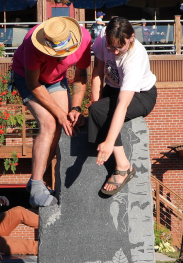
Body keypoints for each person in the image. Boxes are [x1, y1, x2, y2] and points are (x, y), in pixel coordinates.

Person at [11, 16, 91, 207]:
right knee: (49, 123)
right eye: (56, 53)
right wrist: (59, 114)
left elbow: (80, 76)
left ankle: (34, 182)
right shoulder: (33, 42)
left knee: (65, 125)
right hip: (28, 80)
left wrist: (75, 109)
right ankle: (37, 187)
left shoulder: (85, 39)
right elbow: (33, 83)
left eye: (64, 52)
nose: (61, 57)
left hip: (56, 80)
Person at [88, 17, 157, 195]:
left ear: (131, 38)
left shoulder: (135, 57)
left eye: (120, 47)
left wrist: (110, 142)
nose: (115, 52)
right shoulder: (103, 37)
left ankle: (123, 165)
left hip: (142, 95)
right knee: (96, 110)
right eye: (112, 47)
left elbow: (122, 105)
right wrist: (95, 101)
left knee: (99, 112)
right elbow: (97, 71)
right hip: (112, 88)